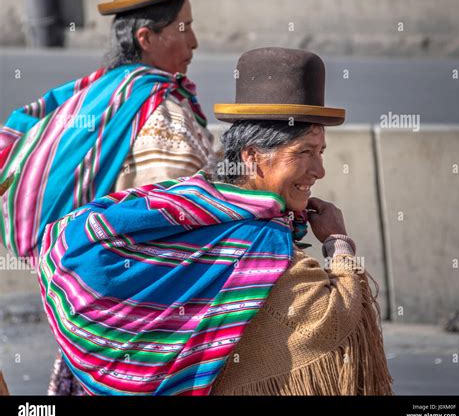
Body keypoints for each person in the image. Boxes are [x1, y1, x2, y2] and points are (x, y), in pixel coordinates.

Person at [35, 47, 393, 395]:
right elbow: (339, 324)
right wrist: (338, 242)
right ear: (253, 157)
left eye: (321, 152)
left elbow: (71, 237)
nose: (319, 170)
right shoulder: (268, 255)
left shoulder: (193, 199)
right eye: (304, 153)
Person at [0, 0, 215, 395]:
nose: (194, 41)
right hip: (144, 319)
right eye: (184, 28)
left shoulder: (94, 94)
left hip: (88, 308)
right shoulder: (159, 112)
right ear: (146, 39)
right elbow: (180, 217)